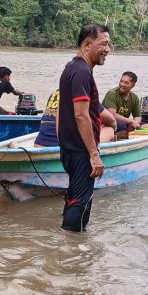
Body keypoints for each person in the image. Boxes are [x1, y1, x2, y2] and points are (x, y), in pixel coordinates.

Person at [57, 23, 111, 232]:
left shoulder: (71, 67)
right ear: (88, 44)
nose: (108, 49)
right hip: (81, 151)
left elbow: (63, 111)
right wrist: (93, 154)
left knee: (74, 198)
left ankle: (69, 248)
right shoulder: (81, 72)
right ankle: (71, 254)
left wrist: (63, 141)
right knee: (80, 203)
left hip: (70, 149)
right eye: (104, 44)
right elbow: (81, 115)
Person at [33, 89, 116, 147]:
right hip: (63, 148)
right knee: (109, 129)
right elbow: (111, 119)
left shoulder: (55, 93)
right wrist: (114, 128)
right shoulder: (83, 94)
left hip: (39, 144)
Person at [102, 71, 142, 136]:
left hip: (125, 122)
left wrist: (134, 123)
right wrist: (131, 121)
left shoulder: (135, 97)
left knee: (146, 125)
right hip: (109, 122)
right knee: (121, 124)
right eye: (121, 81)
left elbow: (137, 117)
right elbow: (112, 115)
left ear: (133, 85)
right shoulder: (112, 93)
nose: (122, 84)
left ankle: (125, 134)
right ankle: (120, 135)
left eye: (126, 83)